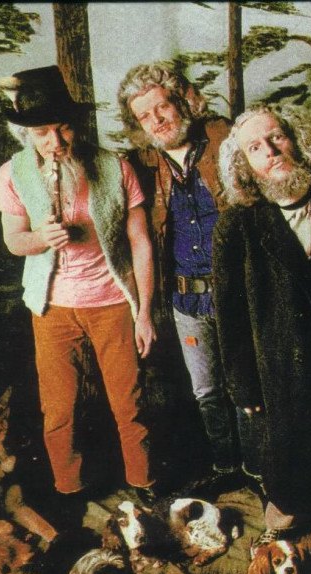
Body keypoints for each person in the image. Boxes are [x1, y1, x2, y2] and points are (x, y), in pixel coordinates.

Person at [0, 66, 157, 509]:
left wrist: (144, 312)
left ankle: (144, 481)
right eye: (42, 133)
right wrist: (41, 238)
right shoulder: (13, 173)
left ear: (76, 124)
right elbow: (14, 241)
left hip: (112, 302)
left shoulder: (114, 166)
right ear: (26, 134)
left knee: (129, 402)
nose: (56, 142)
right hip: (51, 307)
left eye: (63, 128)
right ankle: (69, 488)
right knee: (58, 408)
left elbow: (140, 242)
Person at [214, 103, 311, 543]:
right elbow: (229, 314)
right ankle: (286, 533)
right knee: (289, 461)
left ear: (297, 140)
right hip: (281, 366)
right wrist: (243, 385)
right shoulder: (236, 226)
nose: (270, 150)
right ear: (245, 165)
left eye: (276, 137)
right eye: (255, 147)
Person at [117, 62, 257, 487]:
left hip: (239, 293)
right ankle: (226, 469)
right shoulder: (142, 165)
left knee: (248, 388)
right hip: (185, 300)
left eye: (162, 107)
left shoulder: (225, 141)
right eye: (145, 115)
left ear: (183, 101)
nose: (157, 120)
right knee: (206, 390)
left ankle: (258, 471)